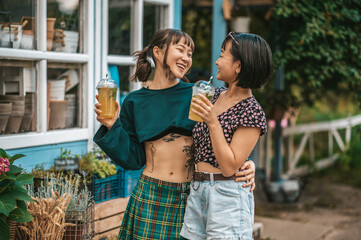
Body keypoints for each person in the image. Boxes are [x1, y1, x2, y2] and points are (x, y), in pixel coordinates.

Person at [93, 28, 257, 240]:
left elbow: (226, 134)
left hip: (192, 196)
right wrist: (112, 125)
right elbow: (132, 159)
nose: (186, 57)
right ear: (158, 52)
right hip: (149, 194)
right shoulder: (135, 102)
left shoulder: (200, 95)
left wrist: (247, 163)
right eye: (180, 50)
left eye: (190, 54)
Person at [180, 32, 273, 240]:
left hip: (227, 197)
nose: (217, 61)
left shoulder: (252, 111)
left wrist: (213, 122)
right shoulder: (213, 95)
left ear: (238, 66)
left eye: (223, 55)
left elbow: (229, 166)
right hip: (198, 190)